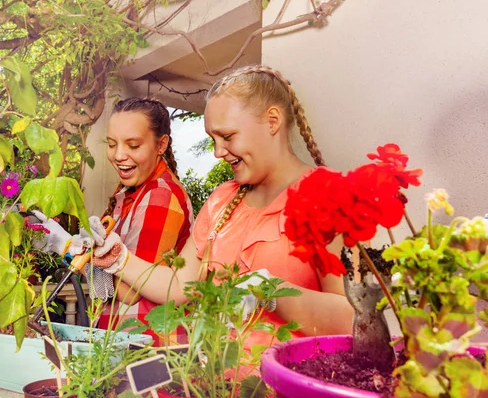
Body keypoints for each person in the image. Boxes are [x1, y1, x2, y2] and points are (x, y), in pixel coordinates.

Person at [90, 65, 353, 348]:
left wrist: (272, 292)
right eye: (213, 140)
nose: (217, 152)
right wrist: (118, 258)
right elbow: (180, 286)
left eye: (227, 137)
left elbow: (353, 320)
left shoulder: (327, 195)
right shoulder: (221, 200)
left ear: (272, 121)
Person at [36, 97, 193, 344]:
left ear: (161, 144)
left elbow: (127, 291)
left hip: (149, 347)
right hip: (125, 339)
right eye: (111, 144)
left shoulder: (159, 196)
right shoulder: (131, 193)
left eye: (133, 145)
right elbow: (107, 282)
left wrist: (67, 247)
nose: (119, 155)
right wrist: (75, 250)